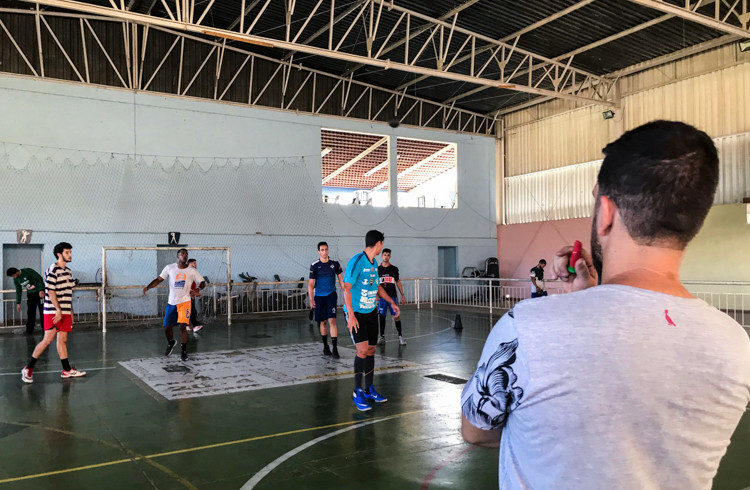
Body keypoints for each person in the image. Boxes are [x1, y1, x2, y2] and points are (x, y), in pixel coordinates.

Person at [461, 121, 750, 488]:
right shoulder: (735, 345)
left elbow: (476, 430)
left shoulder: (526, 327)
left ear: (607, 213)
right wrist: (585, 298)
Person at [342, 230, 400, 411]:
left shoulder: (374, 263)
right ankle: (357, 391)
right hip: (357, 313)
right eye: (382, 244)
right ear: (378, 243)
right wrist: (351, 315)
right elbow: (346, 288)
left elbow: (377, 288)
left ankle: (369, 389)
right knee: (362, 350)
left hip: (370, 311)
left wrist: (391, 302)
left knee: (371, 350)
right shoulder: (357, 261)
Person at [21, 242, 86, 383]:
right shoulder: (52, 270)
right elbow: (50, 291)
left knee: (62, 340)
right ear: (59, 254)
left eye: (70, 252)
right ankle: (28, 368)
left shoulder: (68, 272)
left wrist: (70, 311)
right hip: (53, 311)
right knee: (47, 340)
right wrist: (58, 310)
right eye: (67, 252)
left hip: (65, 311)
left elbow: (68, 293)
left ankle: (66, 370)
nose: (70, 255)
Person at [143, 248, 205, 361]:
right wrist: (148, 287)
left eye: (186, 254)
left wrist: (198, 289)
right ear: (177, 256)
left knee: (182, 326)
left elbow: (202, 282)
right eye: (182, 254)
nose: (185, 256)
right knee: (167, 328)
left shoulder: (192, 270)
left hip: (185, 302)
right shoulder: (170, 268)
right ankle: (171, 342)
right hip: (172, 302)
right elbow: (159, 279)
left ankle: (184, 350)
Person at [308, 241, 344, 357]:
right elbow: (311, 283)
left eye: (326, 249)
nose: (325, 252)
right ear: (319, 252)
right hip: (319, 297)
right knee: (322, 321)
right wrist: (311, 299)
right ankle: (325, 346)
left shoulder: (334, 264)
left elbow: (341, 279)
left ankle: (335, 348)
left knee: (332, 321)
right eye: (322, 250)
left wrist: (345, 292)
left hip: (331, 295)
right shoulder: (314, 265)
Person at [377, 248, 406, 345]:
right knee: (382, 316)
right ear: (382, 256)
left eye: (388, 255)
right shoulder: (377, 269)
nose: (386, 257)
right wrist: (375, 294)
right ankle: (382, 336)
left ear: (390, 257)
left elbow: (398, 282)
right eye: (384, 255)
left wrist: (402, 294)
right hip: (382, 298)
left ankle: (400, 336)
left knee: (396, 316)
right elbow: (374, 282)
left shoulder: (394, 269)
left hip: (392, 297)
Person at [7, 266, 45, 335]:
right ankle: (29, 330)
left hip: (39, 292)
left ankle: (45, 329)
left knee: (42, 310)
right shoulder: (16, 279)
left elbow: (39, 278)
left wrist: (41, 289)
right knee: (30, 312)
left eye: (13, 275)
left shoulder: (27, 271)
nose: (13, 277)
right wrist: (18, 303)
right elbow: (18, 290)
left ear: (16, 272)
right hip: (30, 294)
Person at [187, 258, 204, 333]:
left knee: (192, 310)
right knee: (189, 310)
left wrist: (196, 291)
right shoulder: (187, 272)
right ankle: (190, 325)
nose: (196, 265)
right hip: (187, 295)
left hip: (191, 294)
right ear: (190, 264)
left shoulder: (193, 273)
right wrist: (192, 292)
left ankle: (192, 325)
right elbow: (185, 285)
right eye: (194, 263)